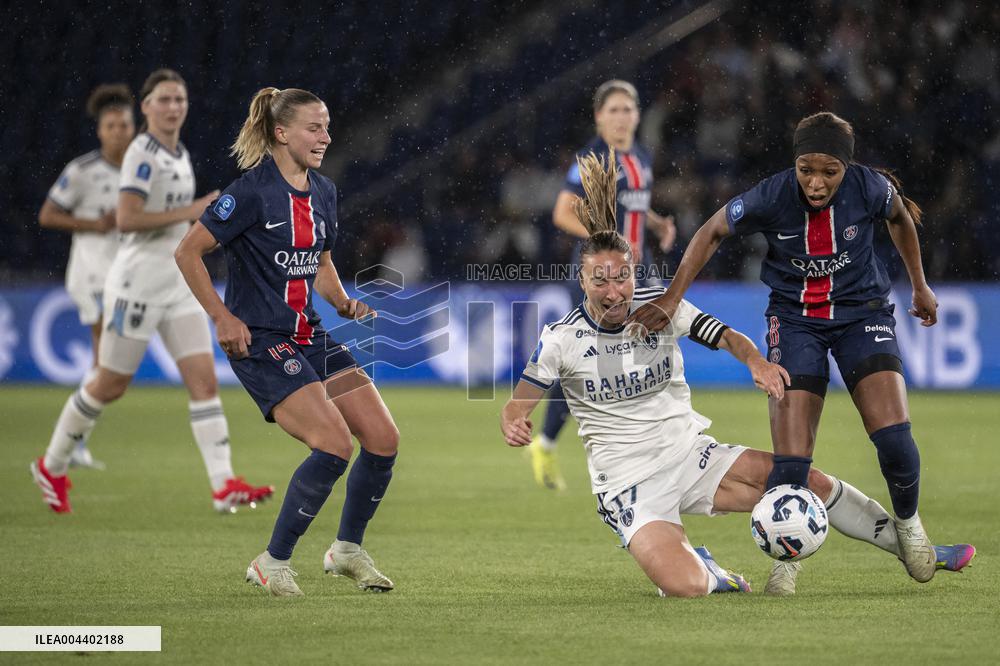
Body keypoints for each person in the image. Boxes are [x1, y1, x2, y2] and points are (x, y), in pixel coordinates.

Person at [501, 152, 974, 597]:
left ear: (633, 273)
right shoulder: (561, 339)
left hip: (691, 456)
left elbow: (726, 335)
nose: (612, 290)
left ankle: (917, 549)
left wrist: (757, 362)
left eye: (621, 277)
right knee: (684, 587)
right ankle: (711, 570)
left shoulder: (662, 307)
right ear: (581, 281)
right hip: (628, 486)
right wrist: (514, 420)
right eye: (598, 280)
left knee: (806, 481)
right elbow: (518, 402)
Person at [628, 111, 962, 586]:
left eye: (829, 171)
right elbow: (710, 231)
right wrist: (672, 297)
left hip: (862, 314)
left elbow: (901, 219)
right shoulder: (771, 194)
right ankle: (788, 556)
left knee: (893, 438)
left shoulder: (869, 188)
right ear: (795, 163)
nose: (816, 182)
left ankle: (909, 527)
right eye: (807, 169)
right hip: (794, 322)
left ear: (847, 167)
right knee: (791, 462)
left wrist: (920, 285)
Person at [174, 86, 401, 598]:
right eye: (313, 127)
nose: (325, 137)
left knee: (383, 439)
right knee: (334, 444)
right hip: (262, 340)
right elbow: (188, 252)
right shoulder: (249, 193)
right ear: (281, 132)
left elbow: (318, 258)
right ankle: (272, 561)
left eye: (327, 126)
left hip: (310, 334)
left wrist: (341, 301)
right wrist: (222, 317)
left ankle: (346, 550)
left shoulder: (323, 191)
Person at [31, 69, 273, 514]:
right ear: (146, 107)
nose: (173, 106)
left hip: (176, 284)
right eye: (163, 99)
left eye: (179, 98)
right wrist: (195, 209)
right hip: (136, 286)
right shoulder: (143, 153)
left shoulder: (176, 151)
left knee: (203, 382)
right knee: (111, 383)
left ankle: (223, 485)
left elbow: (168, 220)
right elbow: (127, 218)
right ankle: (52, 463)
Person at [531, 80, 677, 491]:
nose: (621, 117)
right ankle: (547, 441)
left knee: (655, 346)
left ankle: (652, 442)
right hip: (604, 276)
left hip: (640, 270)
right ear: (598, 116)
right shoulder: (591, 158)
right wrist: (600, 238)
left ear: (637, 114)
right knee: (589, 360)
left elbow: (635, 201)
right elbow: (562, 212)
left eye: (627, 110)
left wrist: (656, 222)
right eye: (612, 110)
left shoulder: (641, 155)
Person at [38, 83, 136, 470]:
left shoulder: (142, 170)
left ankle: (73, 440)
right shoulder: (81, 171)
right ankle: (71, 444)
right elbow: (47, 214)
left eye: (124, 125)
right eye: (111, 125)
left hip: (128, 277)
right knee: (104, 361)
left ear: (134, 127)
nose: (118, 132)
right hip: (93, 276)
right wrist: (93, 224)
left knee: (107, 365)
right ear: (100, 130)